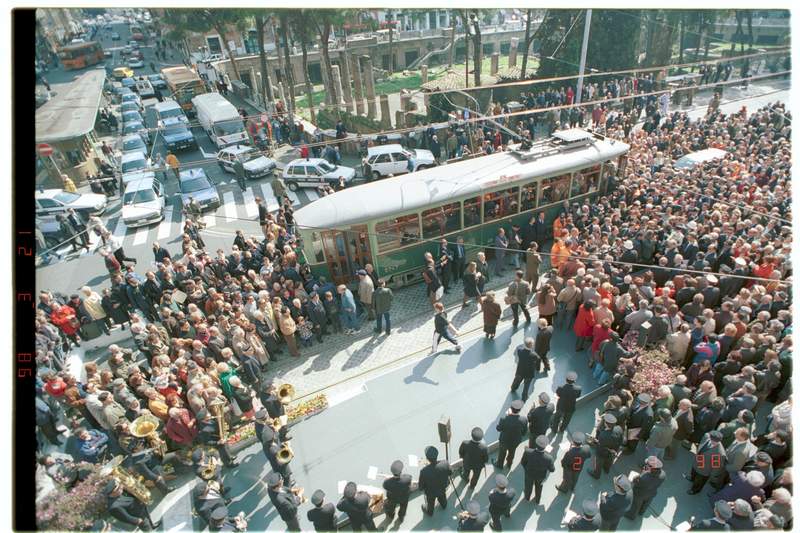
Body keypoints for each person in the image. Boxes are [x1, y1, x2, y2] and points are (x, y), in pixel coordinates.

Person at [521, 435, 555, 504]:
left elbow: (523, 463)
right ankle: (537, 500)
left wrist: (527, 469)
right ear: (545, 446)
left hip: (529, 474)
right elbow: (552, 470)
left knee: (528, 487)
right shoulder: (549, 458)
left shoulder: (527, 452)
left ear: (536, 444)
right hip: (540, 476)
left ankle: (527, 497)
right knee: (539, 488)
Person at [494, 399, 527, 469]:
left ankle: (500, 464)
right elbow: (524, 432)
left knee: (502, 453)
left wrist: (507, 416)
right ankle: (509, 463)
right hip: (515, 441)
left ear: (511, 409)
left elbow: (498, 428)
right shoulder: (524, 420)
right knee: (512, 452)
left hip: (504, 441)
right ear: (520, 410)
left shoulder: (504, 419)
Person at [418, 445, 451, 516]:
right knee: (442, 498)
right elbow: (450, 473)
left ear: (427, 458)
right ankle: (444, 505)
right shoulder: (445, 463)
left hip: (431, 493)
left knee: (430, 503)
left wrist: (427, 467)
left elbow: (421, 487)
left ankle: (430, 512)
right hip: (442, 488)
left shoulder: (424, 471)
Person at [510, 337, 538, 402]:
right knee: (526, 386)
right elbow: (537, 359)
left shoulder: (520, 351)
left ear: (524, 345)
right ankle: (524, 397)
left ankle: (513, 389)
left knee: (516, 381)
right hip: (529, 373)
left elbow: (519, 349)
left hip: (520, 371)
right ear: (532, 346)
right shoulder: (534, 355)